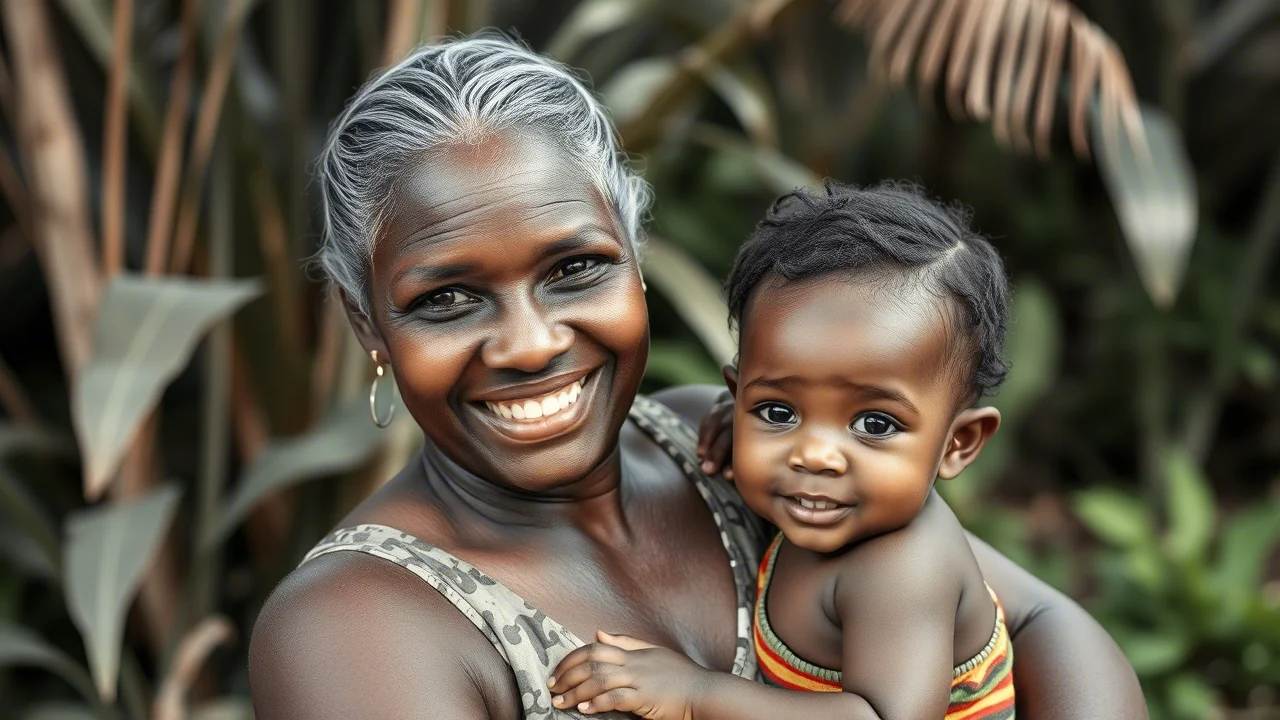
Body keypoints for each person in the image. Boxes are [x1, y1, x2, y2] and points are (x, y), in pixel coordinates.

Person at [247, 32, 1147, 720]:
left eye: (573, 271)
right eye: (447, 299)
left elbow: (1035, 626)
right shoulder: (356, 624)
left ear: (635, 264)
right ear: (366, 320)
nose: (526, 344)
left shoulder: (747, 452)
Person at [549, 182, 1017, 719]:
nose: (814, 454)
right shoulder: (829, 500)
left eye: (874, 423)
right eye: (778, 411)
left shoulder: (901, 570)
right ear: (734, 397)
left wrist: (696, 696)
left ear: (958, 444)